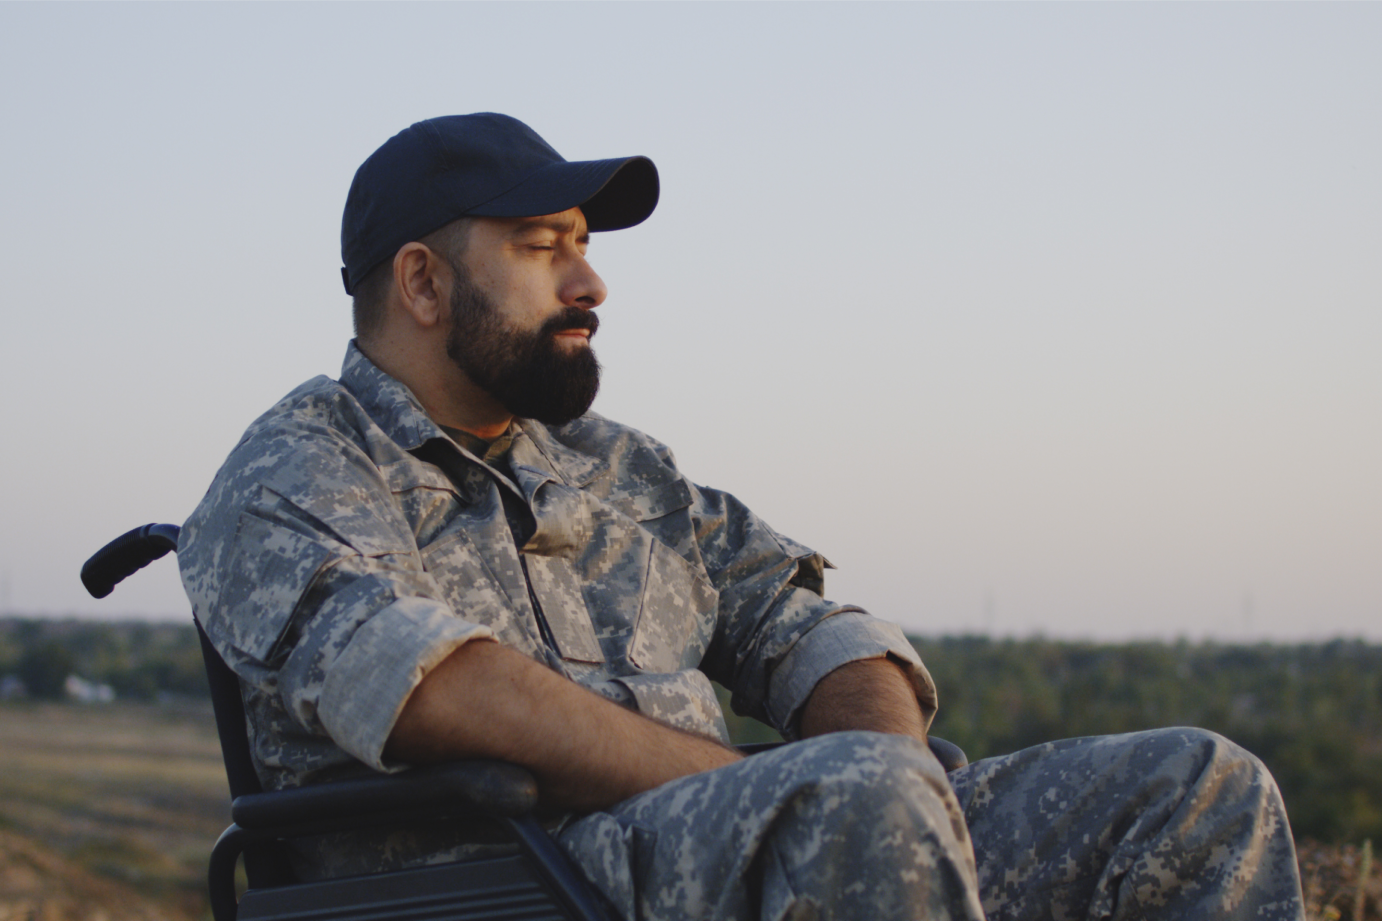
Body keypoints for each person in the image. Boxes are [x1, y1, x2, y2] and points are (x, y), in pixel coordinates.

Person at [178, 113, 1306, 920]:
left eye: (584, 244)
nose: (591, 284)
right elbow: (431, 689)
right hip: (485, 885)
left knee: (1194, 789)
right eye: (540, 247)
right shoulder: (294, 471)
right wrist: (771, 792)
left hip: (719, 857)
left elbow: (803, 621)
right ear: (422, 285)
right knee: (854, 798)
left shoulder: (622, 471)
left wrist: (882, 765)